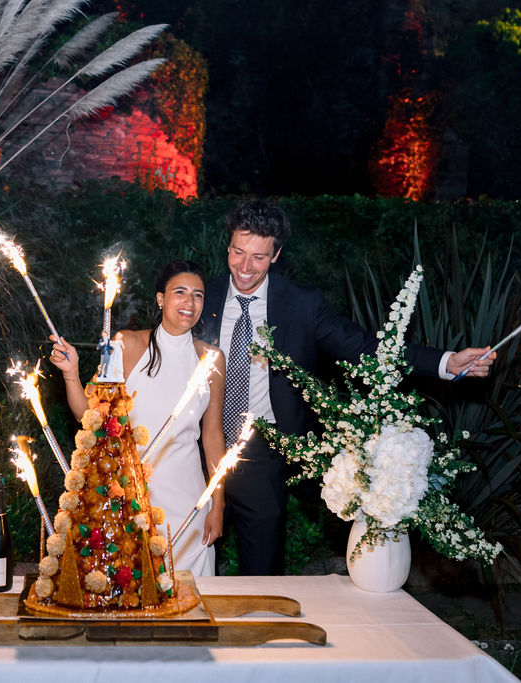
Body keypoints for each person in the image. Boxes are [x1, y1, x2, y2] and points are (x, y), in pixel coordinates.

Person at [200, 200, 496, 576]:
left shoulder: (302, 304)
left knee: (261, 573)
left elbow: (364, 348)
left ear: (276, 255)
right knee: (187, 560)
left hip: (261, 450)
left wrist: (446, 362)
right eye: (238, 252)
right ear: (227, 246)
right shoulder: (201, 297)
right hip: (197, 446)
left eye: (258, 257)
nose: (245, 267)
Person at [49, 260, 227, 576]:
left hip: (189, 500)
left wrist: (218, 503)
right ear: (160, 298)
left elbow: (213, 435)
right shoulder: (126, 344)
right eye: (180, 292)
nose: (189, 302)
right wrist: (71, 373)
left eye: (198, 295)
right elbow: (88, 416)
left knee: (192, 596)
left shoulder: (212, 359)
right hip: (132, 495)